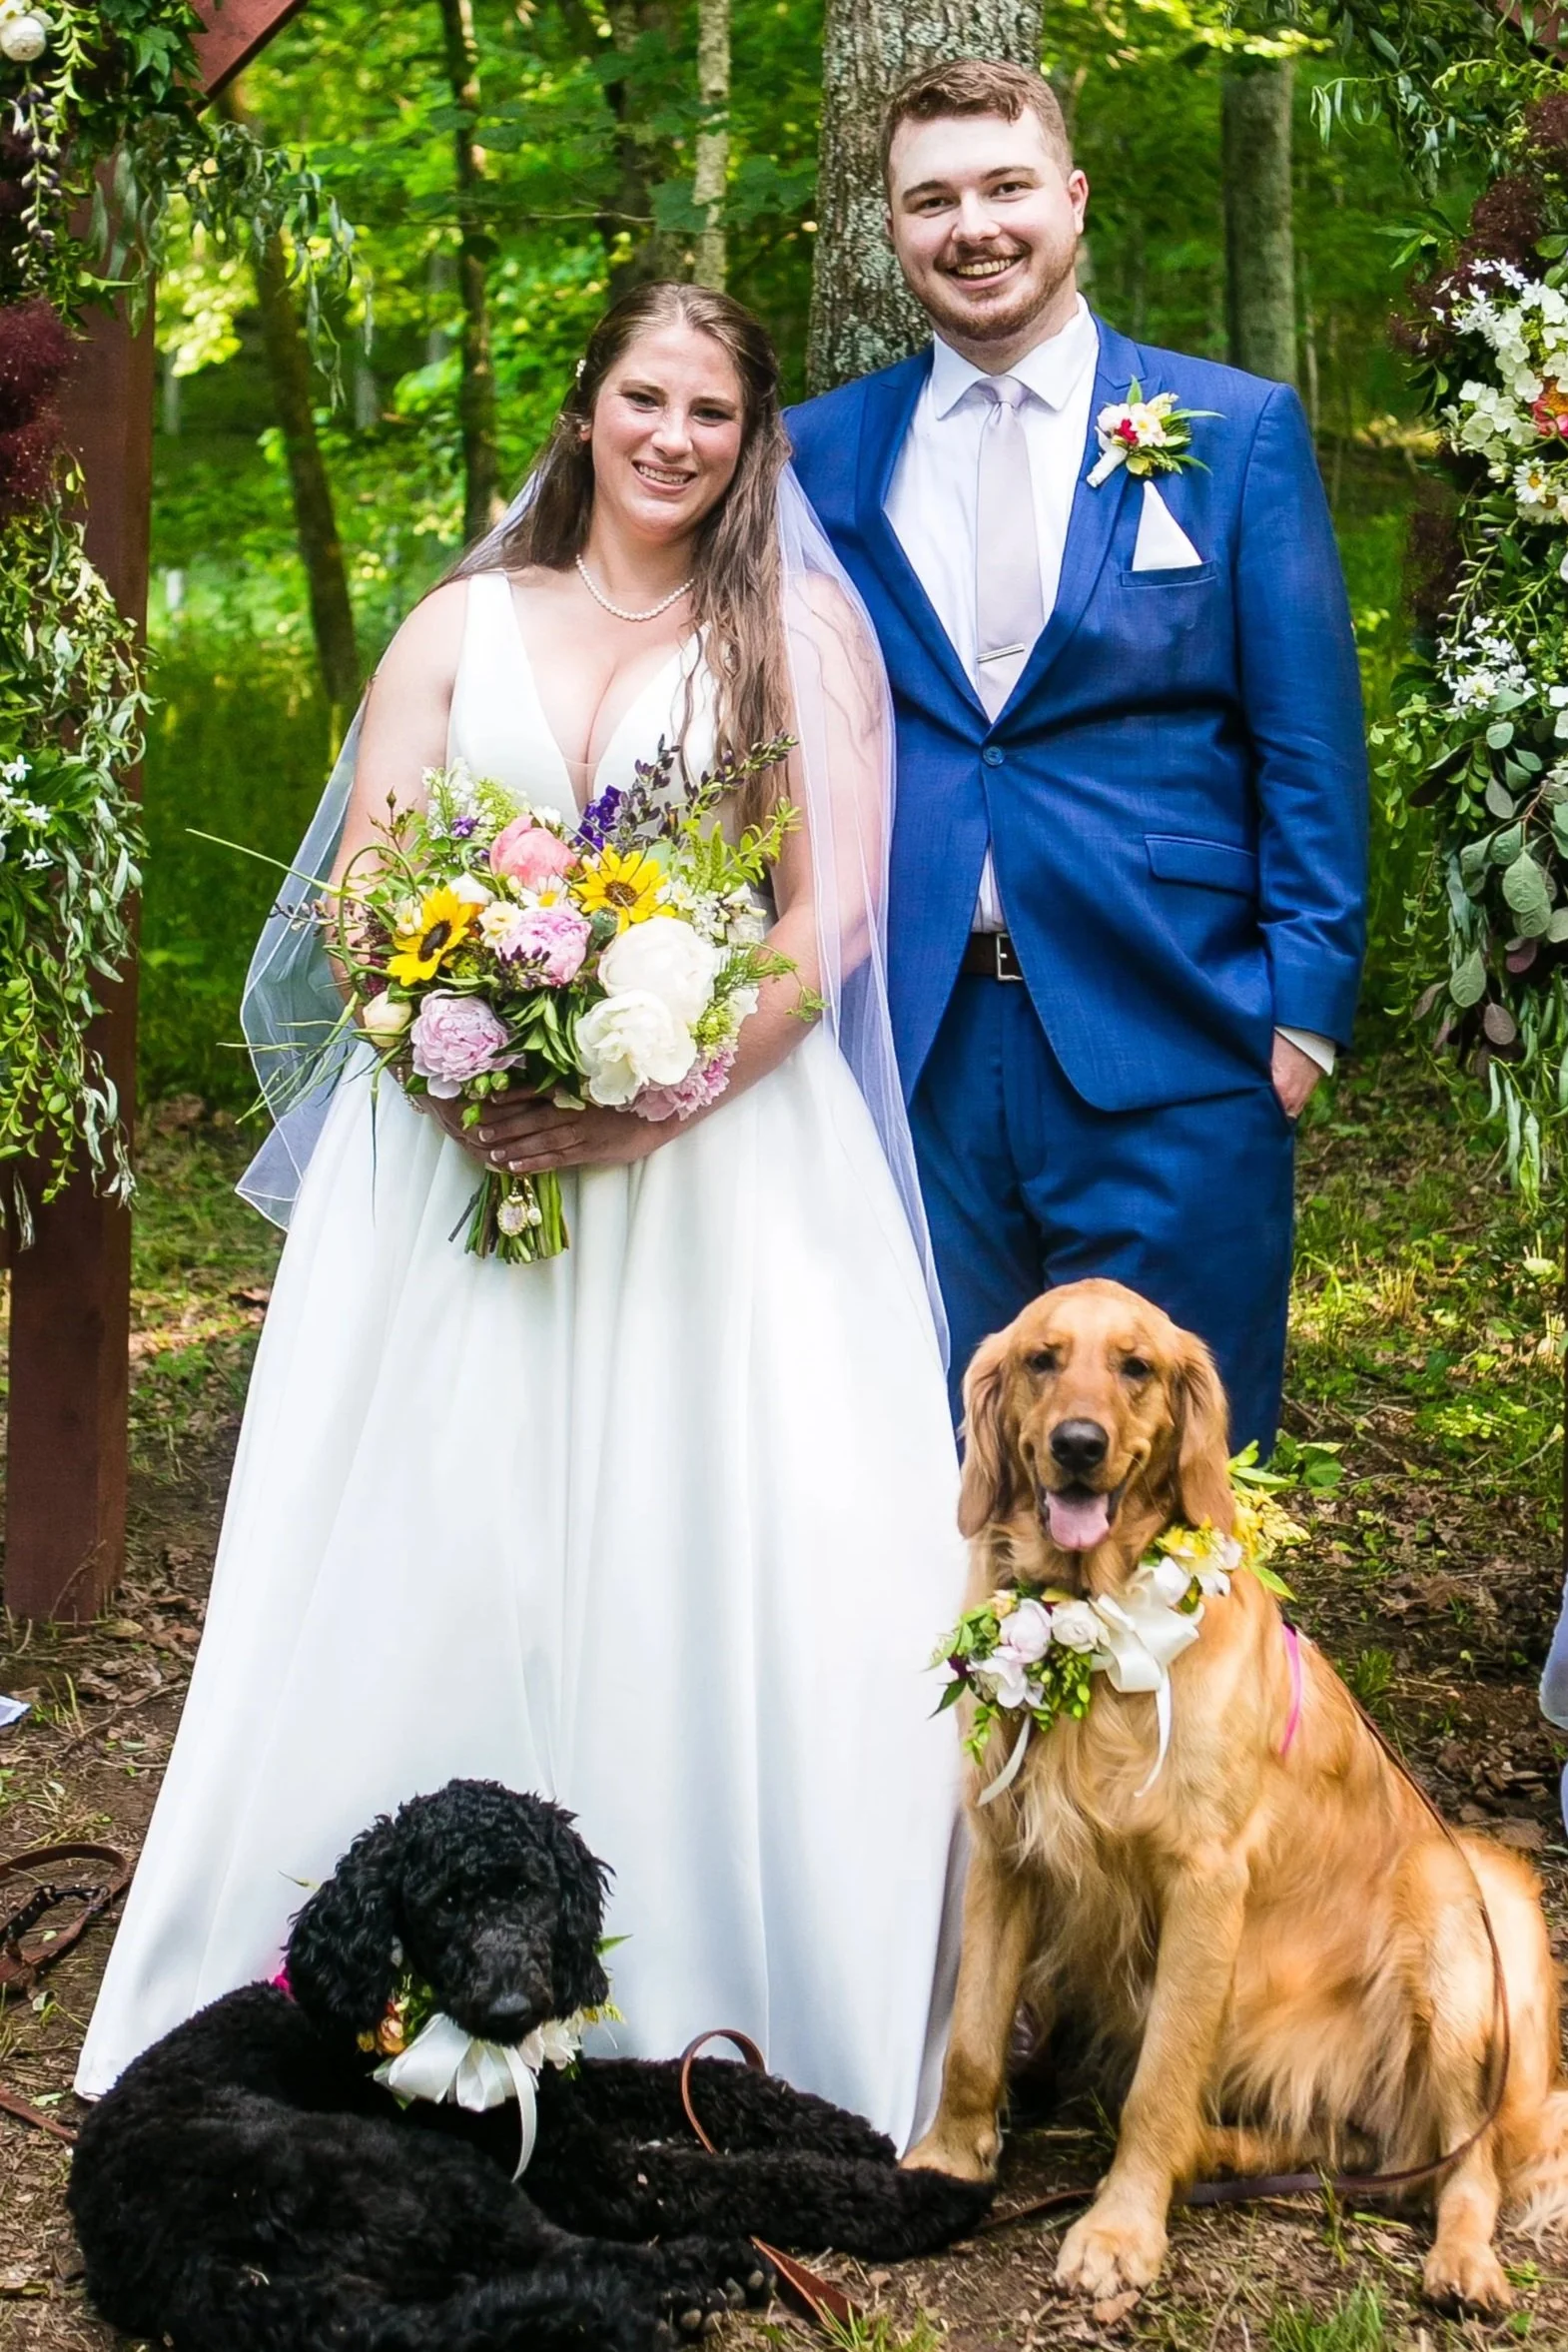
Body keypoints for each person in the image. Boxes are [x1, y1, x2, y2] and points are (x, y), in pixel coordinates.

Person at [75, 284, 966, 2151]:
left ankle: (733, 1982)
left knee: (702, 1533)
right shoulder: (454, 624)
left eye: (712, 411)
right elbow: (361, 890)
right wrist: (463, 1067)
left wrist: (656, 1096)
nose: (671, 435)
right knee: (437, 1524)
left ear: (750, 442)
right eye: (642, 396)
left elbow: (836, 921)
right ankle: (374, 1974)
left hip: (715, 1174)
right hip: (452, 1161)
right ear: (583, 410)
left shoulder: (794, 627)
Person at [787, 58, 1368, 1450]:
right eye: (929, 199)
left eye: (1002, 187)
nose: (970, 226)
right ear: (889, 228)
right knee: (934, 1460)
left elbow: (1306, 741)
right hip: (910, 1039)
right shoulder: (818, 453)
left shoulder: (1227, 433)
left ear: (1070, 198)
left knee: (1175, 1473)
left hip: (1171, 1021)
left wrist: (1300, 1011)